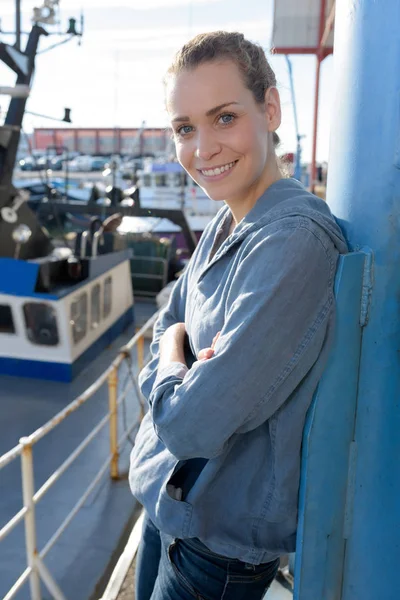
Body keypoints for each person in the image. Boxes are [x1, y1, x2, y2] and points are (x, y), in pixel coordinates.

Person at [129, 31, 347, 600]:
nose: (202, 149)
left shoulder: (293, 242)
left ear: (269, 109)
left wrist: (174, 360)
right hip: (169, 511)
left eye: (224, 117)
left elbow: (189, 426)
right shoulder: (227, 223)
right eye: (184, 128)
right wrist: (181, 359)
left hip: (214, 556)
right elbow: (166, 322)